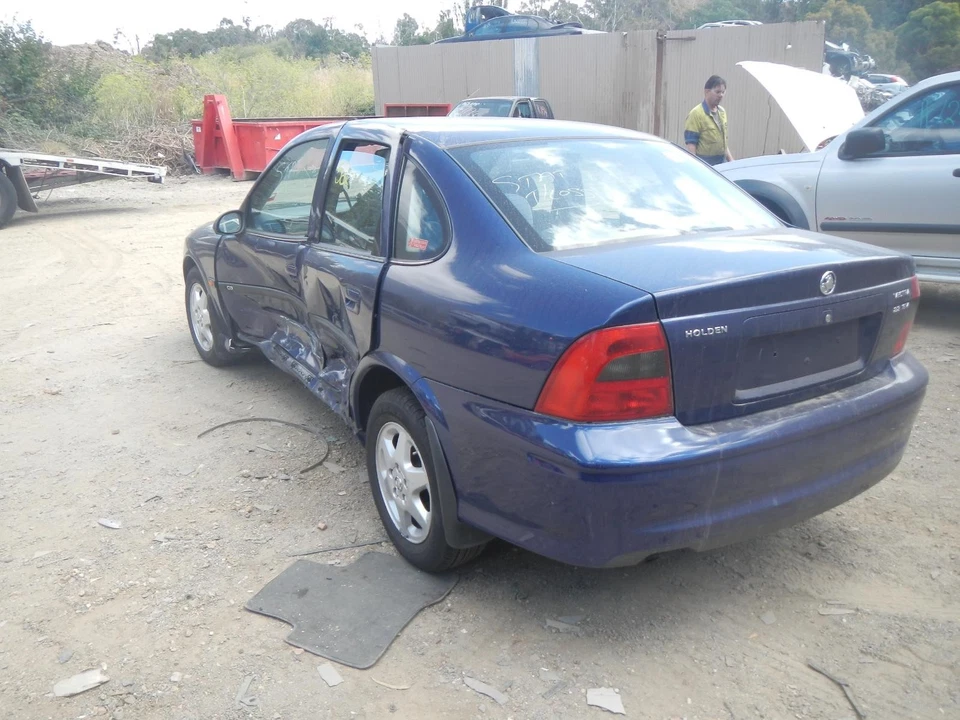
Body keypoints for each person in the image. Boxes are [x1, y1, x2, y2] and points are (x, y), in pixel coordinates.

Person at [684, 75, 735, 166]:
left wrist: (731, 161)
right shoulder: (696, 114)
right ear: (707, 91)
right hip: (705, 165)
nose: (721, 95)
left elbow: (723, 142)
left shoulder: (722, 112)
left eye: (723, 92)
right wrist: (695, 167)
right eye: (717, 92)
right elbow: (691, 146)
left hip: (722, 164)